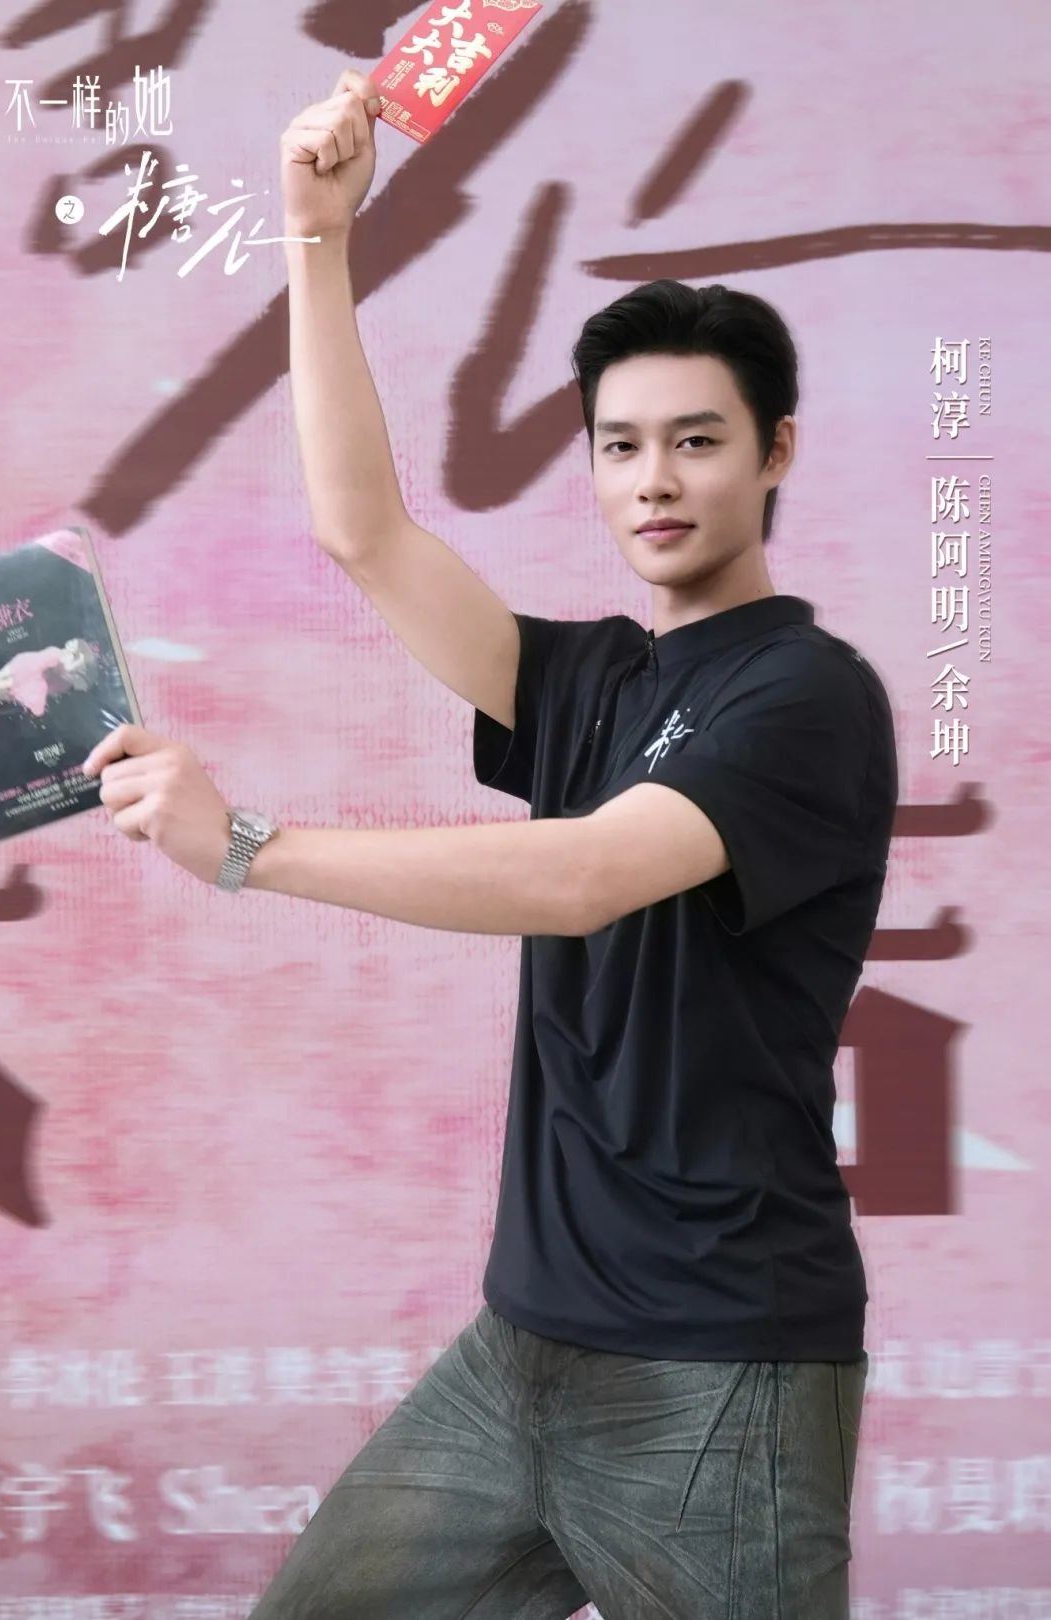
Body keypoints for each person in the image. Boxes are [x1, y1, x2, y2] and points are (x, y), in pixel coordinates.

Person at [82, 68, 898, 1618]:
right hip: (521, 1347)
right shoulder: (586, 680)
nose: (654, 481)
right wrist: (318, 240)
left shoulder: (811, 696)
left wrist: (245, 844)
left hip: (717, 1369)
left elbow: (582, 875)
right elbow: (364, 532)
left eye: (697, 441)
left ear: (776, 452)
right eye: (620, 446)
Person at [0, 638, 99, 717]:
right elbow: (35, 671)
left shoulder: (63, 680)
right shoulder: (55, 655)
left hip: (29, 677)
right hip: (27, 670)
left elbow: (50, 688)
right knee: (3, 680)